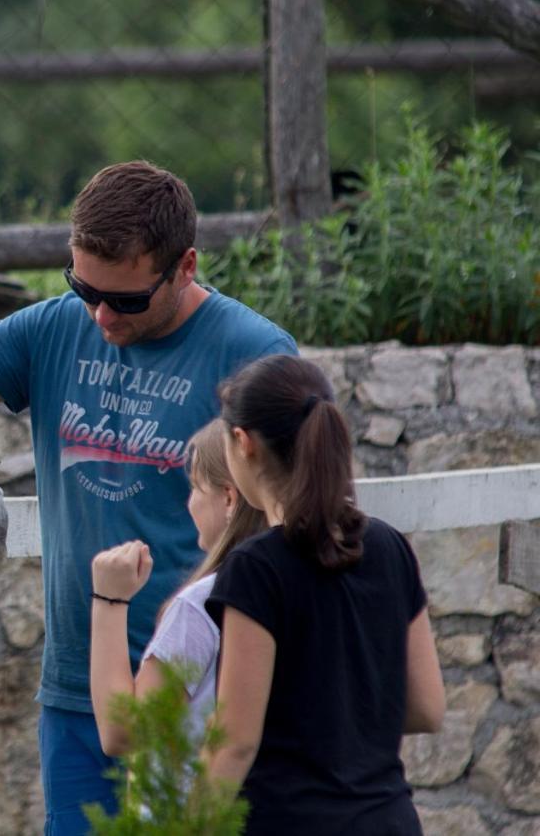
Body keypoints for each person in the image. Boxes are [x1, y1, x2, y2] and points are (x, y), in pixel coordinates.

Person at [0, 160, 297, 834]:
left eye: (126, 299)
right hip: (80, 690)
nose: (101, 315)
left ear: (186, 265)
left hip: (205, 694)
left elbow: (294, 522)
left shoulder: (255, 354)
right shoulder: (50, 329)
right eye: (83, 288)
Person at [202, 354, 445, 834]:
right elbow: (426, 707)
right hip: (388, 820)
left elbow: (234, 744)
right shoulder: (389, 546)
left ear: (242, 444)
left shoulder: (256, 569)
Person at [88, 418, 266, 758]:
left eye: (196, 487)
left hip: (196, 804)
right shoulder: (302, 578)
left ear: (229, 499)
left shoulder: (201, 605)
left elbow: (125, 733)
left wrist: (108, 600)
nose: (190, 503)